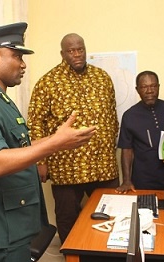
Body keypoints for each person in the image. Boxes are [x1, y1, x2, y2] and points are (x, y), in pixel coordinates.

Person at [0, 23, 96, 262]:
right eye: (17, 56)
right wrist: (53, 144)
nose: (23, 64)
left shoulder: (1, 100)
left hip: (12, 223)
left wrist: (55, 141)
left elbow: (14, 146)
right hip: (2, 230)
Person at [27, 33, 119, 243]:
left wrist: (109, 143)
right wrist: (40, 161)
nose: (77, 54)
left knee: (112, 212)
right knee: (68, 216)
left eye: (80, 49)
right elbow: (35, 123)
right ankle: (73, 255)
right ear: (62, 53)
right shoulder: (48, 82)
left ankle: (108, 253)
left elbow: (113, 115)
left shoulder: (102, 77)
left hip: (103, 164)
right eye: (71, 51)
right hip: (67, 166)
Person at [116, 71, 164, 192]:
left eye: (153, 86)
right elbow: (127, 150)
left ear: (158, 87)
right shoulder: (129, 115)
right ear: (137, 90)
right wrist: (127, 180)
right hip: (143, 179)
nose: (149, 91)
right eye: (144, 87)